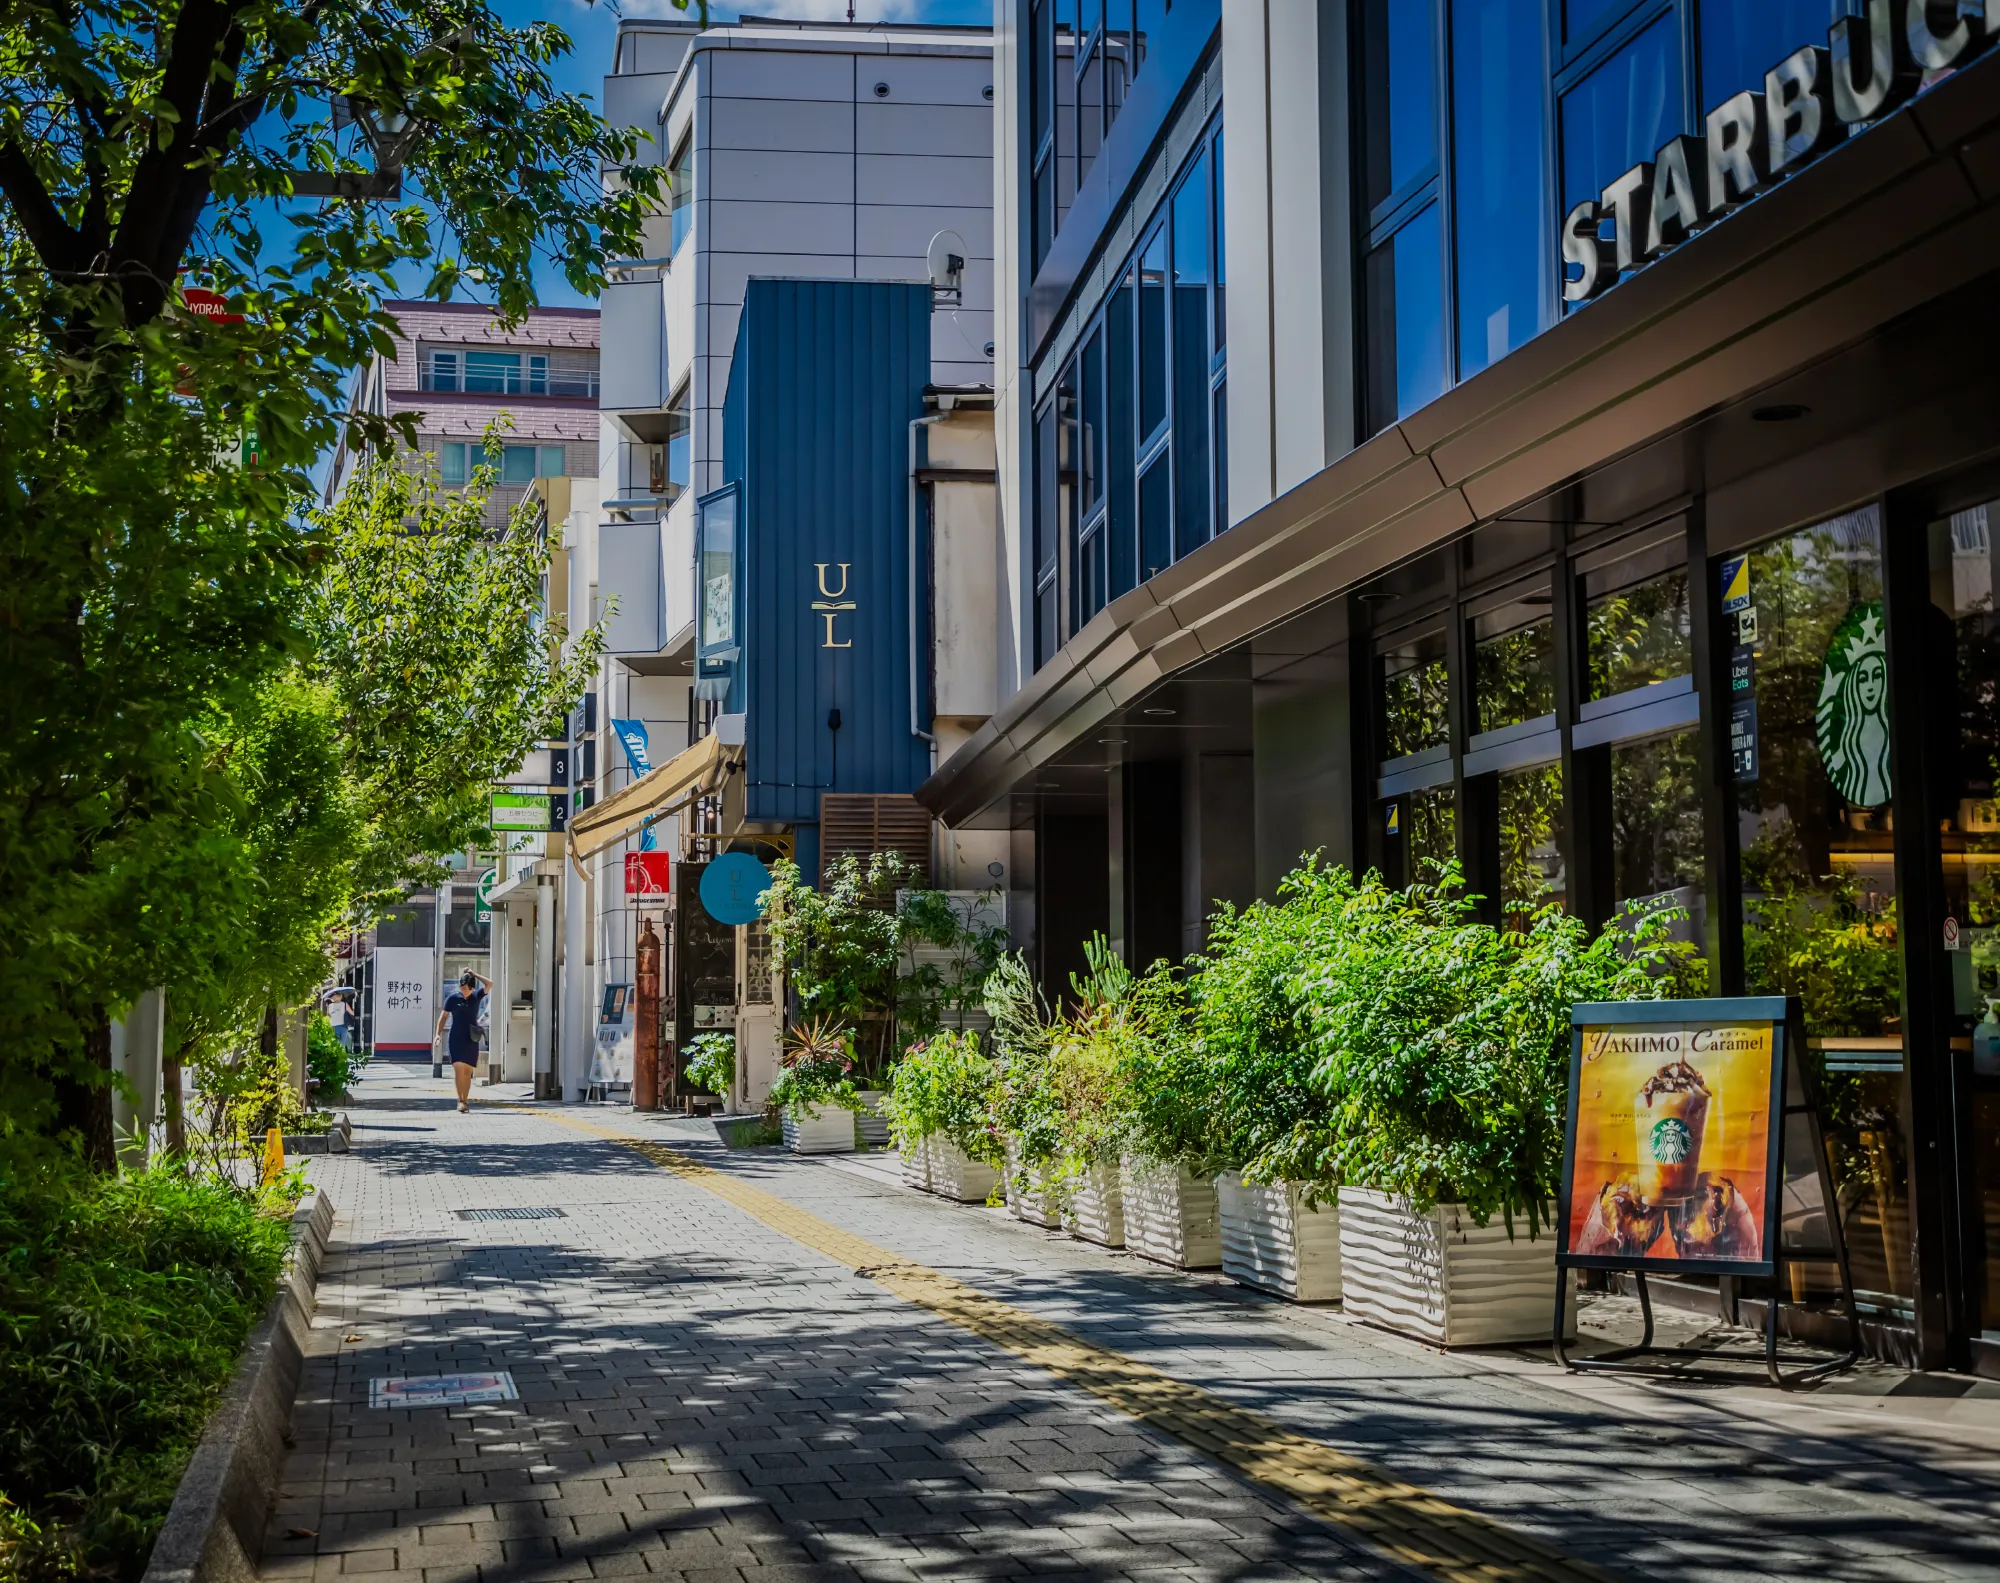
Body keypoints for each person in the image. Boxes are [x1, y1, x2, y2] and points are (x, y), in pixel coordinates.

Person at [435, 970, 492, 1112]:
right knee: (458, 1069)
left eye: (467, 988)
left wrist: (475, 974)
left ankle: (465, 1100)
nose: (464, 991)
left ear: (472, 988)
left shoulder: (476, 996)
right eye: (462, 988)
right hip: (456, 1038)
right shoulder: (452, 999)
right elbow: (443, 1017)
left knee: (467, 1072)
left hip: (471, 1039)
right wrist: (438, 1034)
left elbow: (490, 984)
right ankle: (460, 1100)